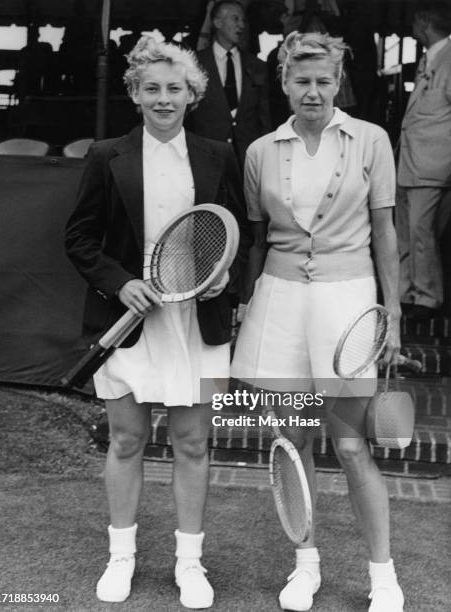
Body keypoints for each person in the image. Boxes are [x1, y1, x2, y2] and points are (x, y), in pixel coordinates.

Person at [65, 35, 247, 609]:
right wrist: (121, 282)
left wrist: (223, 278)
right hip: (129, 317)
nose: (163, 98)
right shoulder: (104, 155)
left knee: (193, 443)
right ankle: (122, 558)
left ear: (192, 94)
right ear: (136, 94)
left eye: (174, 88)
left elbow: (239, 237)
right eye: (152, 89)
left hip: (196, 321)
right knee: (127, 439)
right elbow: (79, 238)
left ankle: (189, 564)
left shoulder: (219, 153)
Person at [231, 31, 404, 612]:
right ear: (283, 83)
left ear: (338, 84)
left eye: (323, 81)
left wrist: (394, 313)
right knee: (292, 440)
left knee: (353, 445)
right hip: (279, 301)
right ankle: (306, 566)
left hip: (348, 300)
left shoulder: (372, 140)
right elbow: (257, 240)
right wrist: (247, 303)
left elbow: (385, 231)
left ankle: (384, 576)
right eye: (301, 81)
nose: (313, 92)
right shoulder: (259, 151)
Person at [396, 1, 451, 320]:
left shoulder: (448, 59)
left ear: (425, 24)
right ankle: (406, 291)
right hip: (410, 159)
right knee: (404, 229)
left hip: (433, 163)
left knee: (420, 230)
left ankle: (427, 297)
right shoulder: (431, 57)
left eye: (415, 24)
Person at [186, 0, 271, 168]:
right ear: (217, 23)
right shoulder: (194, 63)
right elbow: (186, 115)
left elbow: (264, 116)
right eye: (235, 19)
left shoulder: (256, 65)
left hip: (248, 160)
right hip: (206, 158)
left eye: (243, 20)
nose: (241, 25)